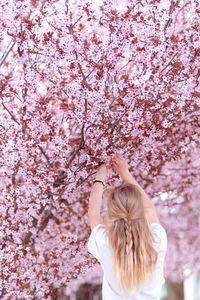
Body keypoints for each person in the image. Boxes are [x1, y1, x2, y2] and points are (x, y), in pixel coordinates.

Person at [87, 153, 167, 300]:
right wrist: (125, 173)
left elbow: (93, 212)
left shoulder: (106, 242)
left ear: (111, 213)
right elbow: (149, 208)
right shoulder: (157, 239)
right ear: (139, 210)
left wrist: (100, 176)